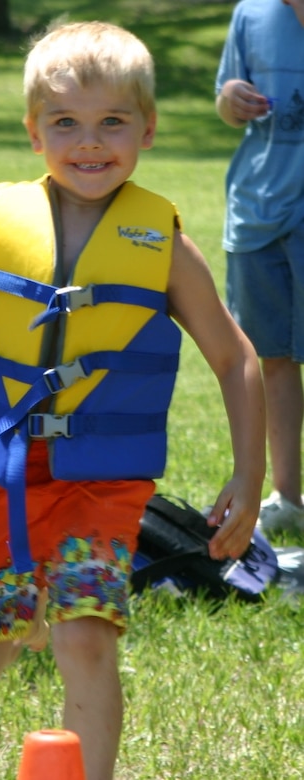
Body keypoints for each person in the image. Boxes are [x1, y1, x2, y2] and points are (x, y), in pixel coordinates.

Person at [0, 21, 265, 780]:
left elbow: (235, 357)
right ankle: (32, 608)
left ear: (146, 126)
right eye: (65, 122)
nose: (89, 142)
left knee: (86, 639)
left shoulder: (163, 242)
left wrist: (247, 473)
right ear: (33, 132)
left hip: (101, 478)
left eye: (112, 121)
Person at [215, 0, 304, 537]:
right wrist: (231, 99)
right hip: (259, 208)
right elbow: (226, 100)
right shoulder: (251, 12)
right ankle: (287, 496)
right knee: (272, 357)